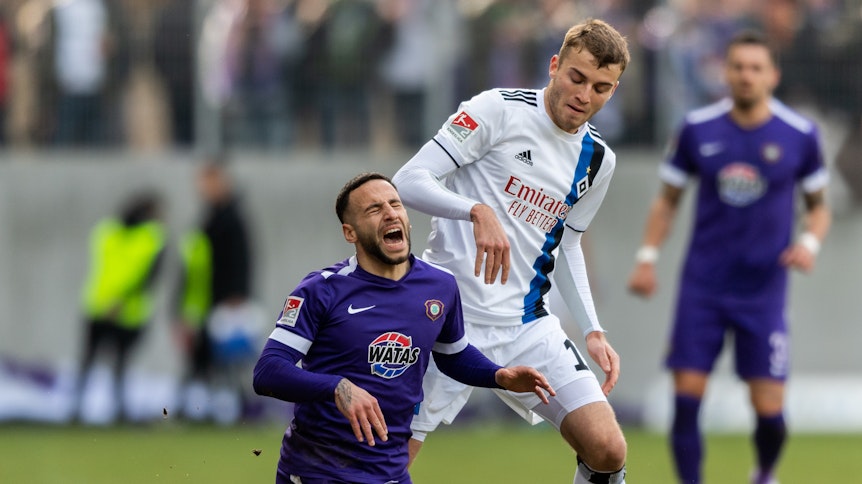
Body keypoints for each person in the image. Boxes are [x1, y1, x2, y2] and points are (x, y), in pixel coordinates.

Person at [392, 18, 629, 484]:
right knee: (386, 466)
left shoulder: (599, 159)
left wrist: (593, 329)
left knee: (607, 447)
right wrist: (475, 211)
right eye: (577, 78)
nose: (585, 95)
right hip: (448, 319)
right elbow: (408, 181)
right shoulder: (497, 109)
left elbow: (569, 242)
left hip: (526, 324)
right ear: (555, 65)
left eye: (602, 88)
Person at [252, 172, 555, 483]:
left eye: (395, 204)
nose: (389, 213)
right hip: (319, 469)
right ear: (350, 232)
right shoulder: (321, 290)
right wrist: (336, 387)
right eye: (374, 209)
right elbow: (268, 371)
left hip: (391, 472)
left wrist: (497, 375)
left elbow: (453, 355)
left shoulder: (440, 286)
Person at [627, 30, 831, 484]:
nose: (746, 76)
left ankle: (764, 472)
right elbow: (667, 201)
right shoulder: (698, 129)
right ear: (726, 71)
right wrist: (646, 257)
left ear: (772, 75)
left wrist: (809, 244)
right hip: (704, 285)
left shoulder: (800, 135)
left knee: (770, 412)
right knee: (686, 398)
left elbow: (819, 208)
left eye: (756, 68)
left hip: (765, 290)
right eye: (738, 66)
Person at [174, 160, 258, 424]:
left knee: (227, 360)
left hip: (223, 301)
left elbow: (241, 260)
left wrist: (237, 295)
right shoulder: (210, 217)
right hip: (203, 302)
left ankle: (238, 410)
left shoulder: (230, 219)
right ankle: (202, 411)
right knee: (205, 361)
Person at [77, 191, 167, 422]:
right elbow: (149, 278)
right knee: (114, 363)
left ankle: (82, 409)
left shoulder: (106, 231)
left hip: (101, 305)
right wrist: (122, 300)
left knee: (96, 362)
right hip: (125, 311)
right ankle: (113, 410)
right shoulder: (152, 237)